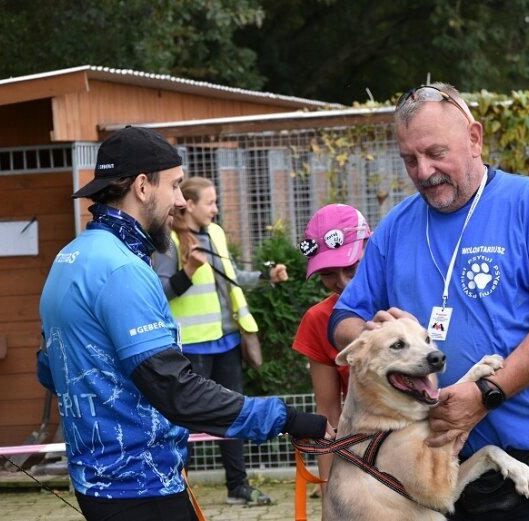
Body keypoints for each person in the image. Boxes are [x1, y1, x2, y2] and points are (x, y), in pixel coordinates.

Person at [329, 83, 529, 521]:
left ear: (474, 138)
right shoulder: (396, 227)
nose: (423, 171)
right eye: (409, 159)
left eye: (436, 153)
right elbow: (342, 318)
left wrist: (487, 393)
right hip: (437, 466)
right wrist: (372, 334)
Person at [37, 126, 329, 521]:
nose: (179, 201)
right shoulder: (121, 268)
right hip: (140, 486)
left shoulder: (70, 257)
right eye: (174, 186)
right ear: (142, 186)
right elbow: (176, 391)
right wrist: (287, 418)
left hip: (97, 482)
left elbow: (50, 370)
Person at [153, 175, 288, 505]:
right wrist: (187, 272)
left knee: (234, 413)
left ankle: (238, 488)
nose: (216, 208)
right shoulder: (167, 242)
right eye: (210, 202)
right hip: (192, 346)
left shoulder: (215, 233)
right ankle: (176, 490)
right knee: (182, 420)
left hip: (226, 342)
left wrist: (266, 278)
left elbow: (233, 278)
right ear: (191, 204)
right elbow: (159, 294)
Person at [292, 203, 371, 502]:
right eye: (328, 273)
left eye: (352, 267)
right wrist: (329, 493)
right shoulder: (318, 320)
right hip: (365, 453)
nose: (343, 283)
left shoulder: (405, 298)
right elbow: (328, 413)